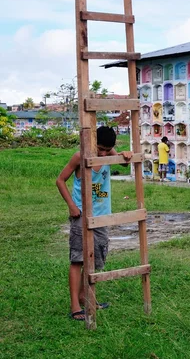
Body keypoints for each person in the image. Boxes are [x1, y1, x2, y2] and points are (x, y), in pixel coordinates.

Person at [56, 126, 133, 321]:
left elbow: (124, 164)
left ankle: (86, 296)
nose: (103, 153)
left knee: (95, 258)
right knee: (78, 259)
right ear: (91, 142)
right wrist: (72, 206)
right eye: (100, 148)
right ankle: (75, 306)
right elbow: (60, 180)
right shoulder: (79, 157)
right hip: (81, 215)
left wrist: (124, 153)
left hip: (102, 216)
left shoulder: (108, 155)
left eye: (108, 150)